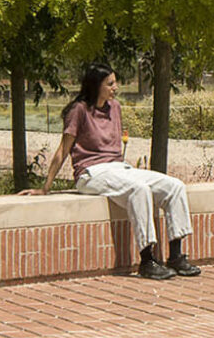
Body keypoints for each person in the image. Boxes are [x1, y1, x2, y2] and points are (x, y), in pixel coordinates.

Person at [29, 63, 200, 279]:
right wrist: (45, 188)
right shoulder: (79, 110)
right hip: (90, 173)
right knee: (139, 189)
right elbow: (63, 149)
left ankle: (176, 257)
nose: (115, 87)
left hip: (118, 167)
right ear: (95, 86)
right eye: (110, 83)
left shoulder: (115, 107)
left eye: (115, 82)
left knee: (174, 186)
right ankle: (147, 260)